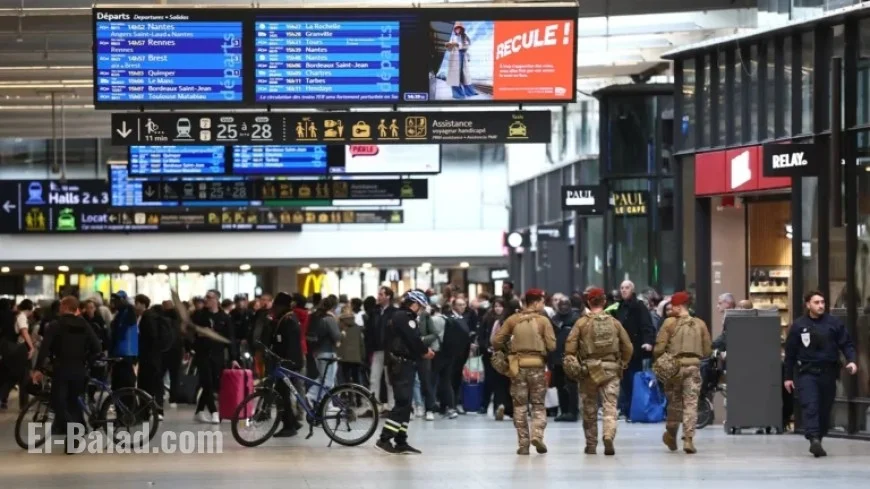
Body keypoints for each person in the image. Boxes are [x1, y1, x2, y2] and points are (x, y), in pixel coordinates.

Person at [784, 290, 857, 458]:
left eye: (822, 302)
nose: (821, 305)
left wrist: (851, 360)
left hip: (828, 373)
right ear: (808, 304)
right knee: (811, 405)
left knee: (824, 409)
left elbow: (846, 344)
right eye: (816, 302)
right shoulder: (798, 325)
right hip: (807, 373)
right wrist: (788, 377)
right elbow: (790, 353)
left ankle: (819, 437)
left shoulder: (834, 323)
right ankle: (814, 439)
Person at [564, 288, 633, 455]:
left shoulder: (581, 323)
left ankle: (591, 444)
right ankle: (608, 435)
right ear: (604, 302)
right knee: (610, 406)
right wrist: (622, 363)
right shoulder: (615, 323)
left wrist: (573, 364)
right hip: (611, 369)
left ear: (588, 302)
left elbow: (570, 347)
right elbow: (628, 347)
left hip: (589, 370)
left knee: (589, 408)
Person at [32, 296, 102, 452]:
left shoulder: (56, 325)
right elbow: (97, 347)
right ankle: (72, 443)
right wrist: (87, 360)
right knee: (73, 403)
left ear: (64, 307)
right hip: (79, 370)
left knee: (58, 402)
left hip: (61, 368)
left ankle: (74, 430)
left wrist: (38, 369)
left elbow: (44, 349)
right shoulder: (84, 324)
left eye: (61, 306)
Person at [491, 289, 557, 455]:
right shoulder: (543, 321)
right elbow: (552, 346)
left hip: (517, 368)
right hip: (537, 367)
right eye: (542, 302)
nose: (543, 305)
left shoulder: (513, 320)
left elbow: (496, 340)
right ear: (535, 302)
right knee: (538, 405)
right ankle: (537, 435)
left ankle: (523, 444)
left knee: (519, 406)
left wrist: (510, 348)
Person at [375, 290, 434, 455]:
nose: (421, 311)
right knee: (402, 403)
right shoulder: (404, 317)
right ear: (414, 304)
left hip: (402, 364)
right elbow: (412, 339)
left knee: (406, 404)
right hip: (401, 366)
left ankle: (401, 441)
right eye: (420, 307)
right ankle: (385, 439)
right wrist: (424, 352)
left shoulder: (400, 316)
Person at [654, 291, 712, 454]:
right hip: (693, 367)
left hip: (674, 368)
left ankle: (671, 434)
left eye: (673, 307)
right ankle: (688, 439)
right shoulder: (700, 324)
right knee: (691, 404)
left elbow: (659, 348)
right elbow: (707, 350)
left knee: (675, 403)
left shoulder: (669, 323)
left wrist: (662, 359)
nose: (671, 309)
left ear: (679, 307)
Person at [191, 290, 237, 424]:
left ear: (217, 299)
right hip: (202, 353)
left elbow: (230, 338)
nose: (206, 300)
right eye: (206, 297)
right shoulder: (199, 315)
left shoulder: (224, 317)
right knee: (207, 382)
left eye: (210, 297)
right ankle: (214, 411)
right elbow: (191, 332)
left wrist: (234, 357)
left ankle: (199, 410)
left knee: (214, 384)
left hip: (218, 355)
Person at [614, 280, 656, 420]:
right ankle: (626, 409)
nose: (624, 290)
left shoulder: (639, 306)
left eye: (627, 288)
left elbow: (646, 325)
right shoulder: (618, 306)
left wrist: (648, 341)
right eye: (622, 288)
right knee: (624, 380)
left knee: (633, 378)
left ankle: (633, 409)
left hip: (635, 348)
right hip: (621, 349)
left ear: (632, 290)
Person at [268, 292, 304, 438]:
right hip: (290, 362)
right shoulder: (288, 317)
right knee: (286, 393)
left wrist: (285, 362)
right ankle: (293, 421)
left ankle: (289, 425)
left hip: (288, 363)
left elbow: (287, 343)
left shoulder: (287, 319)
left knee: (283, 394)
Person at [550, 296, 581, 422]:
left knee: (571, 385)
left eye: (565, 304)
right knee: (560, 385)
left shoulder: (575, 319)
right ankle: (563, 411)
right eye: (561, 304)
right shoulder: (554, 319)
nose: (563, 307)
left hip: (571, 356)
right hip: (557, 358)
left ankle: (572, 411)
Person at [306, 295, 341, 403]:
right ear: (334, 307)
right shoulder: (330, 319)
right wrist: (342, 334)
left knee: (322, 379)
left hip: (318, 353)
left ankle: (321, 402)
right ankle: (313, 397)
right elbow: (337, 337)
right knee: (328, 382)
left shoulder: (317, 317)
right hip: (328, 353)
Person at [135, 295, 165, 418]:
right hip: (155, 357)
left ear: (142, 304)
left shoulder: (147, 317)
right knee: (156, 383)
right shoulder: (151, 316)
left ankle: (147, 411)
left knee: (146, 384)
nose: (135, 306)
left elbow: (150, 337)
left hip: (149, 357)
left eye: (136, 303)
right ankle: (157, 410)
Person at [367, 287, 396, 412]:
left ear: (388, 296)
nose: (378, 296)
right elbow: (369, 331)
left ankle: (391, 406)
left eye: (381, 294)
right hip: (377, 350)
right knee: (374, 378)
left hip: (389, 350)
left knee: (389, 379)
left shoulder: (394, 312)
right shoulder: (375, 312)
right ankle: (373, 406)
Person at [109, 292, 138, 399]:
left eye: (118, 300)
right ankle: (121, 411)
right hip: (119, 354)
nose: (115, 303)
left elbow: (121, 334)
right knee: (117, 386)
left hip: (125, 355)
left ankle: (129, 411)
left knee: (125, 386)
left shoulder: (128, 312)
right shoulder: (120, 313)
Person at [336, 304, 365, 386]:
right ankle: (358, 396)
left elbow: (338, 341)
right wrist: (362, 356)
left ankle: (347, 395)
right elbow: (361, 343)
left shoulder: (339, 326)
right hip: (356, 357)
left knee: (345, 378)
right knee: (356, 378)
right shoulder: (357, 327)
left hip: (343, 357)